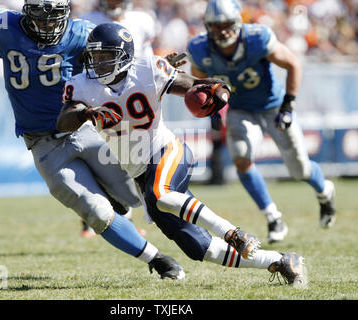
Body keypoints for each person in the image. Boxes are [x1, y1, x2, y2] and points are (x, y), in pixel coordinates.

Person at [0, 0, 186, 280]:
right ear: (27, 13)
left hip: (85, 128)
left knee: (135, 195)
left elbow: (116, 69)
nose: (49, 25)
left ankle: (158, 216)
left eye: (54, 17)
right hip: (43, 143)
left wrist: (149, 72)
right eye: (42, 18)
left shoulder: (82, 34)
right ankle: (156, 259)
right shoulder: (6, 28)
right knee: (95, 212)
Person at [56, 22, 308, 286]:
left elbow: (195, 86)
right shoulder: (81, 85)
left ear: (125, 56)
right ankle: (280, 260)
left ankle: (233, 232)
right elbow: (63, 121)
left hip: (166, 150)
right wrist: (85, 113)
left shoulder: (148, 69)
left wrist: (215, 90)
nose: (98, 63)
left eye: (106, 56)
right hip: (140, 174)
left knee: (161, 193)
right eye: (95, 56)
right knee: (199, 248)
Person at [187, 0, 336, 243]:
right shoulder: (200, 48)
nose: (222, 30)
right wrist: (213, 112)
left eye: (226, 24)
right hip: (241, 108)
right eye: (216, 25)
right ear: (207, 26)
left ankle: (324, 191)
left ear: (237, 23)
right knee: (241, 158)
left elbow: (293, 64)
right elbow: (202, 84)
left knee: (300, 169)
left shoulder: (257, 38)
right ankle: (273, 217)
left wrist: (288, 103)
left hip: (273, 105)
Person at [79, 0, 157, 237]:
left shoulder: (143, 19)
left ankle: (144, 210)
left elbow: (147, 56)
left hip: (134, 95)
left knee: (137, 157)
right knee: (99, 158)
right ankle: (97, 216)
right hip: (100, 95)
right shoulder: (87, 21)